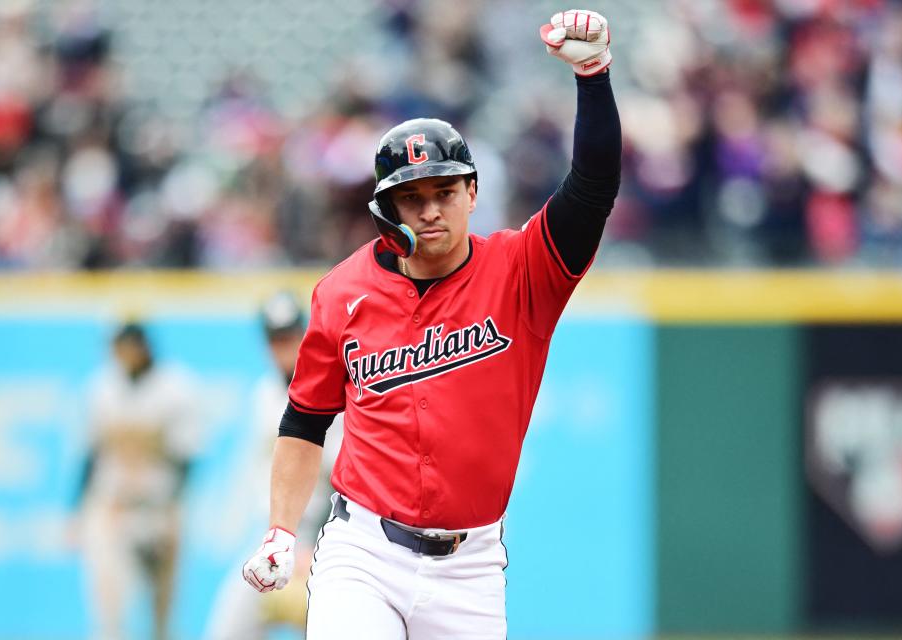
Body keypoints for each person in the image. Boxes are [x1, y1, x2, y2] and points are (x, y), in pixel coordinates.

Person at [242, 9, 621, 638]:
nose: (431, 209)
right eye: (412, 198)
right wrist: (282, 527)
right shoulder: (342, 293)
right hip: (361, 551)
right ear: (385, 210)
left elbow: (594, 186)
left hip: (471, 568)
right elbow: (304, 420)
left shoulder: (524, 271)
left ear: (472, 192)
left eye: (444, 191)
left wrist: (593, 75)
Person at [205, 292, 343, 639]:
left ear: (304, 334)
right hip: (270, 539)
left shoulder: (334, 394)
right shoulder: (264, 393)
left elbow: (341, 482)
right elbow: (254, 474)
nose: (284, 345)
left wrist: (316, 544)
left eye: (289, 335)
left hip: (318, 539)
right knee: (226, 629)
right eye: (276, 338)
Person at [76, 322, 200, 640]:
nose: (124, 354)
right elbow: (89, 454)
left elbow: (188, 458)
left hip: (159, 507)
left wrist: (172, 508)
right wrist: (76, 508)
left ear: (143, 346)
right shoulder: (101, 387)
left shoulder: (175, 387)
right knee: (109, 607)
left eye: (129, 345)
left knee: (162, 613)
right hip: (113, 508)